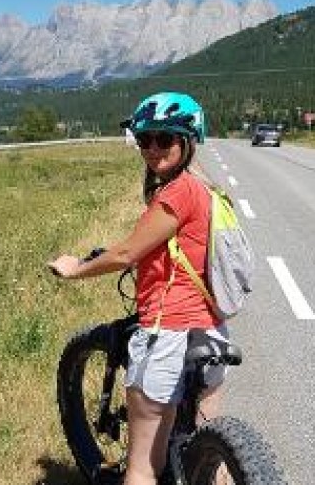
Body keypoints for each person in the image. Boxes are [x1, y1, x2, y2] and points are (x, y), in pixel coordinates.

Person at [48, 92, 228, 485]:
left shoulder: (177, 193)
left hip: (167, 334)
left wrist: (75, 268)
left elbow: (127, 253)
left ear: (188, 140)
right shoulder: (207, 189)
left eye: (164, 139)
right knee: (207, 460)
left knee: (143, 467)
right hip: (211, 332)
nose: (152, 149)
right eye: (144, 139)